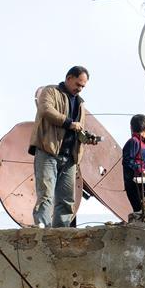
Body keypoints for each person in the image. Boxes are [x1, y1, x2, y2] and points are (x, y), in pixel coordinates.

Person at [29, 66, 98, 228]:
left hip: (69, 157)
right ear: (68, 78)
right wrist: (69, 123)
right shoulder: (50, 92)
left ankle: (62, 232)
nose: (79, 89)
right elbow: (46, 110)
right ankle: (43, 229)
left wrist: (87, 137)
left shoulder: (80, 103)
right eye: (78, 84)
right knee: (46, 194)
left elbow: (77, 128)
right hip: (48, 151)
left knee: (66, 199)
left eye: (83, 86)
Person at [121, 114, 145, 213]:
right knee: (140, 210)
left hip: (144, 183)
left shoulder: (144, 144)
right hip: (134, 184)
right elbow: (127, 161)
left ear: (131, 127)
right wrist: (142, 171)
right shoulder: (134, 142)